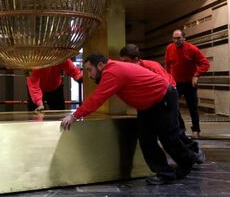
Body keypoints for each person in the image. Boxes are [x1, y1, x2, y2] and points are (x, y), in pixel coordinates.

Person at [61, 53, 204, 185]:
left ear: (100, 65)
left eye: (89, 69)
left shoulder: (112, 72)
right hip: (147, 104)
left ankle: (189, 159)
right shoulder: (112, 69)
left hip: (162, 97)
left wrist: (74, 116)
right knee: (146, 140)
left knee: (168, 137)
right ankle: (164, 173)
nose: (89, 75)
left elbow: (97, 98)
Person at [119, 44, 199, 154]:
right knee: (148, 135)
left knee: (172, 129)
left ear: (136, 59)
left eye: (126, 61)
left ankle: (194, 150)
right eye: (121, 61)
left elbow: (166, 86)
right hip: (149, 101)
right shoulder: (128, 71)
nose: (123, 64)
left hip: (166, 96)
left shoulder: (152, 66)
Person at [165, 29, 210, 139]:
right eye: (174, 38)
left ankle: (196, 130)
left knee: (192, 107)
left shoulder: (192, 49)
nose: (176, 40)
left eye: (178, 38)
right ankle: (181, 127)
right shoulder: (169, 48)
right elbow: (167, 65)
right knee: (172, 105)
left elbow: (205, 63)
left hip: (190, 83)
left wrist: (196, 75)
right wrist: (168, 78)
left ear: (184, 38)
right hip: (176, 83)